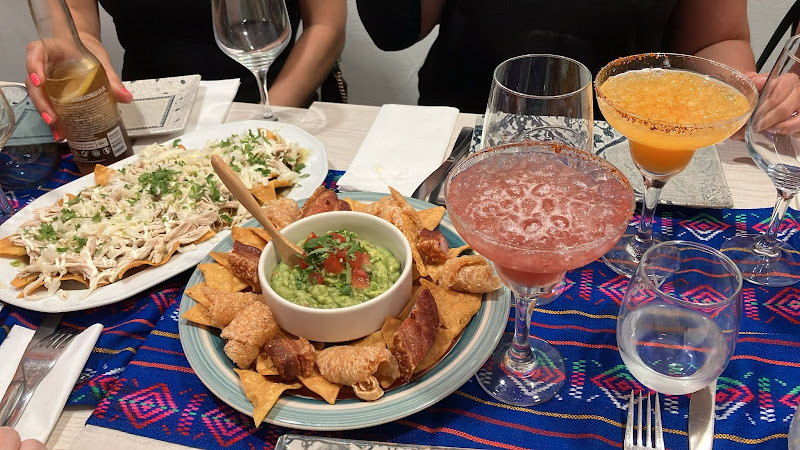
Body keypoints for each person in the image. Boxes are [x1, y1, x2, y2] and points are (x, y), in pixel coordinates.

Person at [356, 0, 759, 114]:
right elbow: (394, 30)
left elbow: (716, 40)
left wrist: (740, 95)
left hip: (625, 145)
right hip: (465, 131)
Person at [26, 0, 346, 140]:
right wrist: (72, 57)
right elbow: (78, 28)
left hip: (271, 104)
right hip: (149, 119)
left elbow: (326, 25)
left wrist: (260, 123)